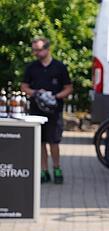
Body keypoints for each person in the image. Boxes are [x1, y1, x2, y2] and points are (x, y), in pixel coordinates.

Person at [21, 37, 72, 184]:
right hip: (36, 111)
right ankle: (44, 171)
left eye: (38, 50)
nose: (36, 53)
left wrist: (55, 96)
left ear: (47, 49)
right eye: (34, 50)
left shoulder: (59, 67)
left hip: (54, 112)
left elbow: (68, 88)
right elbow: (24, 87)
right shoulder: (31, 68)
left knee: (54, 142)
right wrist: (36, 93)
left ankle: (57, 168)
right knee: (40, 142)